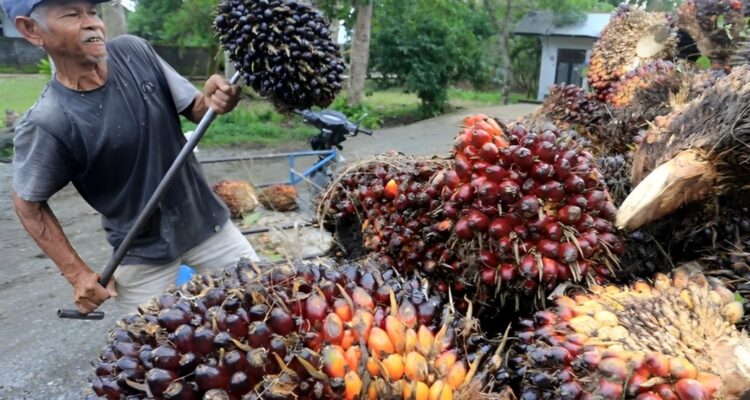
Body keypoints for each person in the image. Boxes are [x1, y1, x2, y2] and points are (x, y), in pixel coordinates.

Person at [4, 0, 260, 315]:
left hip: (208, 226)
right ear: (30, 30)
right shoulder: (49, 121)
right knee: (154, 350)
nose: (92, 23)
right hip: (141, 252)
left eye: (93, 12)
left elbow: (196, 109)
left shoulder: (134, 52)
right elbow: (27, 204)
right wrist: (78, 274)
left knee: (261, 303)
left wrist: (212, 99)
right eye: (73, 14)